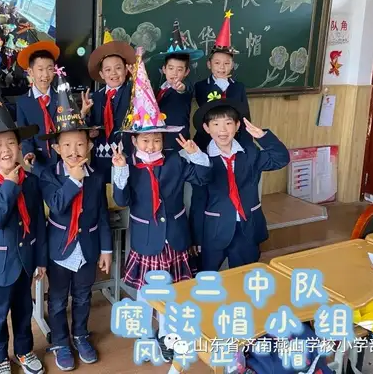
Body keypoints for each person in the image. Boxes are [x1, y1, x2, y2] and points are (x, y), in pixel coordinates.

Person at [111, 49, 212, 361]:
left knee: (173, 292)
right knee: (146, 293)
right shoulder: (130, 165)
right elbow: (122, 200)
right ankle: (145, 333)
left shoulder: (174, 161)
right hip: (146, 240)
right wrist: (119, 172)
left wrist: (195, 154)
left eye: (156, 139)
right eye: (145, 140)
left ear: (163, 139)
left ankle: (168, 334)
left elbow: (203, 178)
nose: (151, 144)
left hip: (175, 238)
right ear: (134, 141)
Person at [0, 74, 47, 374]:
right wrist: (10, 186)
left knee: (24, 311)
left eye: (12, 143)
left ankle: (25, 351)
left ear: (19, 146)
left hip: (25, 261)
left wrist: (41, 260)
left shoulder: (32, 181)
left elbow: (38, 222)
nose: (6, 150)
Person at [37, 68, 111, 371]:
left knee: (82, 296)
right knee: (57, 299)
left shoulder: (97, 176)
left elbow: (102, 215)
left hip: (88, 247)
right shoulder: (48, 175)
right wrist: (74, 180)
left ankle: (80, 335)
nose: (73, 151)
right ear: (56, 148)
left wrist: (106, 249)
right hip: (59, 250)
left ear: (89, 146)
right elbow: (56, 206)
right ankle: (59, 340)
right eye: (66, 145)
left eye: (80, 144)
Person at [191, 98, 289, 273]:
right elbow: (198, 201)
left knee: (245, 275)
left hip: (247, 227)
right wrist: (197, 238)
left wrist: (264, 137)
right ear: (206, 128)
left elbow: (281, 159)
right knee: (207, 276)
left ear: (237, 126)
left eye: (228, 123)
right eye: (216, 124)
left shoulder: (250, 153)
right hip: (214, 230)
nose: (222, 130)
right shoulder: (202, 159)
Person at [193, 10, 251, 151]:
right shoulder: (201, 86)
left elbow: (245, 116)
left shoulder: (238, 87)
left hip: (233, 138)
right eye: (217, 63)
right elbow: (206, 106)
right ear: (209, 64)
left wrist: (247, 142)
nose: (222, 67)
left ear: (232, 65)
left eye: (226, 63)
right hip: (207, 138)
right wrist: (219, 86)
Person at [86, 30, 135, 182]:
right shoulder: (96, 96)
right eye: (108, 70)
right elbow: (91, 124)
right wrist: (89, 126)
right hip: (101, 154)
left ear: (126, 70)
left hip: (126, 153)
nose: (113, 73)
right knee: (100, 188)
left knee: (123, 189)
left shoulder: (132, 91)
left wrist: (137, 79)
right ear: (102, 74)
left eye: (118, 68)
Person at [156, 21, 205, 151]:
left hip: (178, 141)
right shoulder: (160, 88)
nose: (175, 73)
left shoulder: (185, 87)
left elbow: (185, 90)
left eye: (179, 69)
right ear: (164, 69)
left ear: (186, 72)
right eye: (171, 68)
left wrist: (181, 88)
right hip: (158, 139)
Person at [15, 41, 61, 176]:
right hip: (38, 162)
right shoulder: (23, 102)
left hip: (63, 161)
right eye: (40, 69)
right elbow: (25, 135)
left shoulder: (62, 97)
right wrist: (28, 152)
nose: (45, 75)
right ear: (30, 72)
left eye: (50, 69)